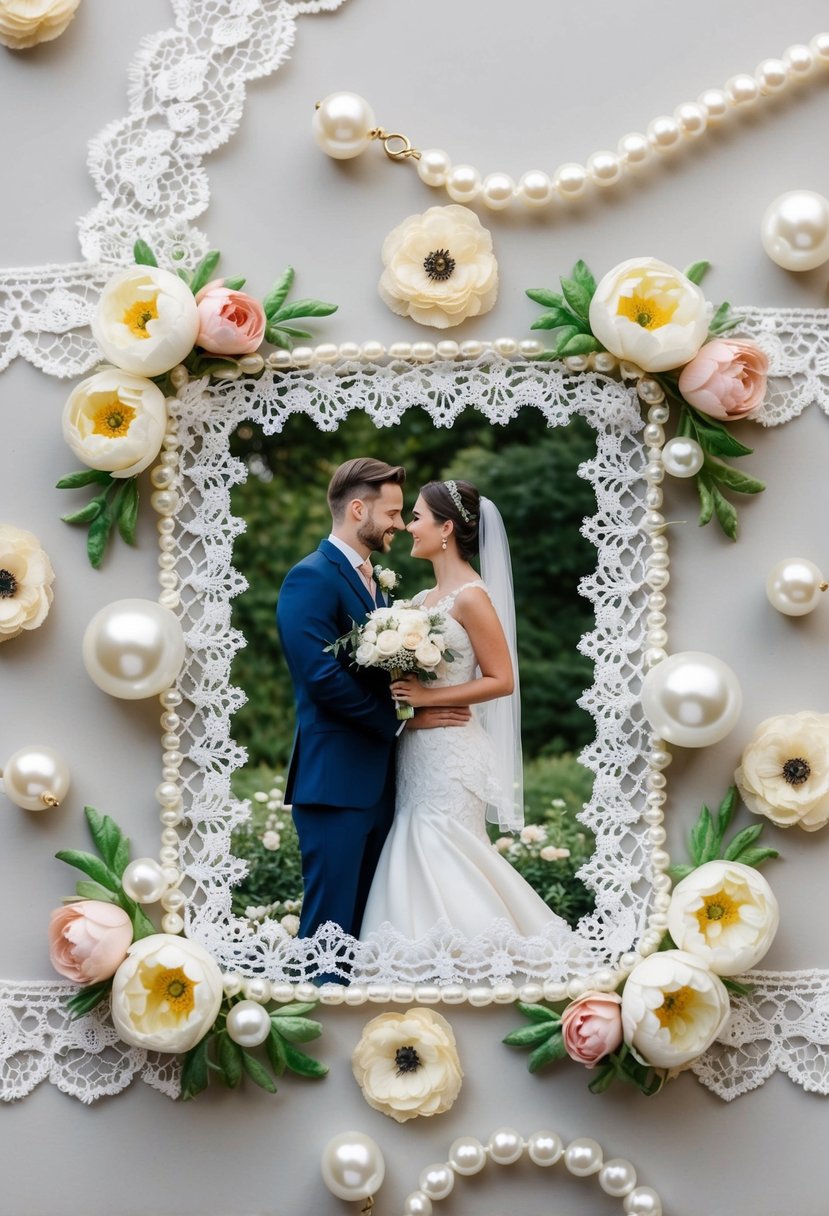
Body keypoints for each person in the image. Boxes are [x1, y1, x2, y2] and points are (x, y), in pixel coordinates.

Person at [276, 457, 471, 943]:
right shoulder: (311, 576)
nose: (400, 525)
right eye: (393, 513)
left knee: (367, 930)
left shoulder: (374, 583)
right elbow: (321, 676)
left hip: (383, 784)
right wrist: (401, 720)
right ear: (358, 510)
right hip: (335, 785)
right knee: (329, 931)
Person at [360, 478, 565, 940]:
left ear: (446, 527)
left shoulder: (472, 596)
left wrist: (428, 699)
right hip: (416, 751)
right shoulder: (419, 602)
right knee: (417, 848)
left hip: (452, 752)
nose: (409, 526)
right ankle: (421, 955)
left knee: (446, 848)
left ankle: (483, 950)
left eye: (416, 517)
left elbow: (502, 679)